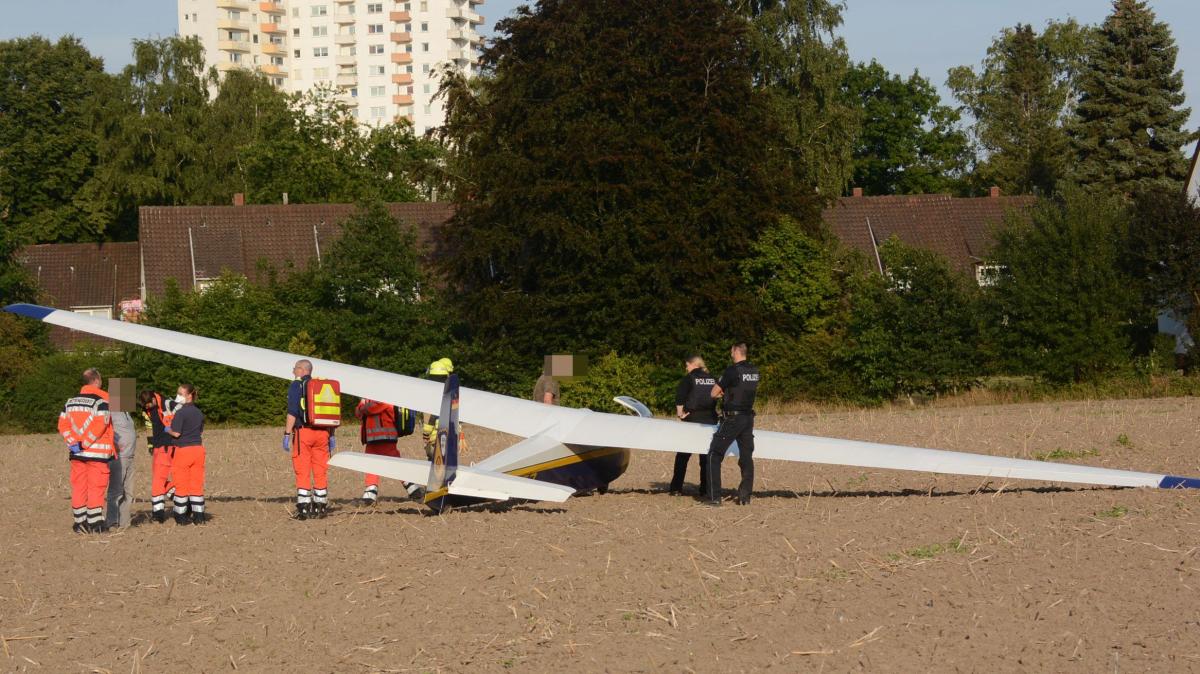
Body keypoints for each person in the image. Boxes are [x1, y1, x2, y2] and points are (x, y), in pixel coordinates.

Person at [58, 368, 115, 533]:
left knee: (79, 487)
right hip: (96, 454)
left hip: (76, 453)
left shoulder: (69, 402)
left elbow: (62, 425)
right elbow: (100, 425)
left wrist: (73, 443)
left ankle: (79, 523)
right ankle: (95, 524)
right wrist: (85, 443)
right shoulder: (101, 402)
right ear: (97, 381)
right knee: (96, 487)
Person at [705, 343, 760, 506]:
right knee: (746, 458)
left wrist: (723, 393)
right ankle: (745, 497)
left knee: (714, 455)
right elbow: (743, 390)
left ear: (736, 351)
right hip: (748, 419)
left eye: (731, 351)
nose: (730, 353)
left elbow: (713, 393)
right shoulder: (754, 371)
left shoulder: (732, 370)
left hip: (733, 418)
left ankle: (714, 498)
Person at [285, 359, 335, 519]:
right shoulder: (322, 386)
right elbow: (330, 413)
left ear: (301, 369)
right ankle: (320, 507)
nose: (293, 372)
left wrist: (287, 433)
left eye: (295, 369)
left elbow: (292, 412)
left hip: (304, 433)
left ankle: (304, 508)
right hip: (323, 433)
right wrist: (332, 435)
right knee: (321, 470)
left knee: (303, 469)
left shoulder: (297, 385)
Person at [355, 398, 420, 504]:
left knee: (394, 464)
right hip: (373, 438)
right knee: (371, 464)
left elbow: (372, 408)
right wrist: (361, 407)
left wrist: (362, 406)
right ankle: (371, 493)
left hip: (385, 435)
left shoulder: (385, 395)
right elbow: (358, 413)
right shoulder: (369, 397)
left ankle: (414, 489)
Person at [670, 354, 716, 496]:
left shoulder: (689, 378)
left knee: (683, 455)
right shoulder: (712, 378)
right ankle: (705, 489)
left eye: (687, 365)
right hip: (709, 420)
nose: (686, 368)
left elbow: (680, 398)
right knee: (705, 457)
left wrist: (680, 414)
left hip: (692, 419)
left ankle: (676, 488)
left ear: (693, 364)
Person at [166, 384, 206, 525]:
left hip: (183, 450)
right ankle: (199, 516)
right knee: (196, 485)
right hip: (198, 450)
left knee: (181, 485)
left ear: (189, 395)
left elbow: (176, 433)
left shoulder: (181, 412)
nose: (178, 396)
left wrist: (167, 429)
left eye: (180, 393)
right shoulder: (199, 412)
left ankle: (181, 517)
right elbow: (200, 432)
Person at [138, 390, 179, 523]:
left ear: (154, 400)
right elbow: (149, 427)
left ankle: (158, 514)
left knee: (157, 480)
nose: (148, 408)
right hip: (157, 447)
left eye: (149, 405)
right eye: (146, 407)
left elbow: (184, 413)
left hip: (167, 446)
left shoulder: (168, 403)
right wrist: (150, 445)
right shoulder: (147, 409)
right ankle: (181, 498)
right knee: (159, 479)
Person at [104, 403, 138, 530]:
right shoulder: (111, 411)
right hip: (119, 457)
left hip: (130, 457)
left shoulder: (126, 413)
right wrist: (113, 444)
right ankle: (112, 522)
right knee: (115, 492)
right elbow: (105, 429)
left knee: (128, 492)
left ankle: (124, 522)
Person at [421, 357, 453, 460]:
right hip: (450, 440)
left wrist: (426, 435)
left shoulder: (430, 394)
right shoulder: (451, 393)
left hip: (435, 441)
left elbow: (429, 419)